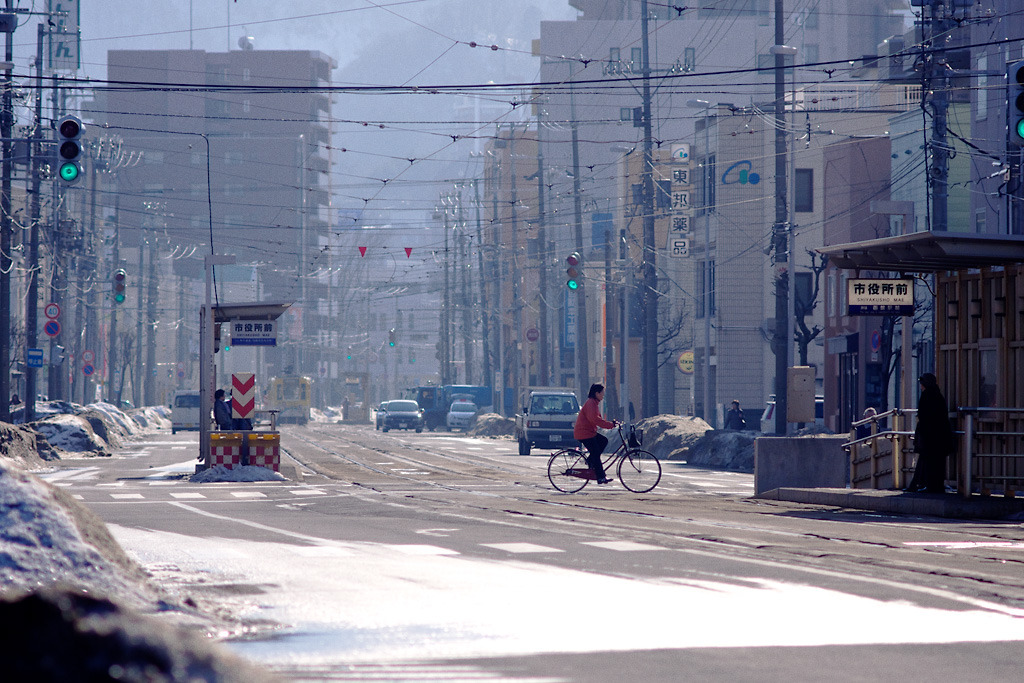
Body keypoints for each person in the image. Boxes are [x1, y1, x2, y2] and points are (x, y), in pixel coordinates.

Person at [906, 373, 955, 493]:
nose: (921, 386)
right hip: (940, 436)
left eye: (921, 384)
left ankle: (925, 485)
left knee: (928, 462)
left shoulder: (926, 396)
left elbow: (924, 417)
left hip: (930, 437)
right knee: (937, 463)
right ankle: (932, 485)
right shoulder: (938, 395)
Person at [574, 383, 617, 485]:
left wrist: (610, 424)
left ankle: (591, 461)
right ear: (596, 393)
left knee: (603, 441)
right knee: (596, 453)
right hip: (584, 433)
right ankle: (601, 477)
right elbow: (595, 420)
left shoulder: (594, 403)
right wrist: (610, 425)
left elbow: (597, 420)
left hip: (589, 432)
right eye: (602, 393)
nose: (603, 395)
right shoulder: (591, 404)